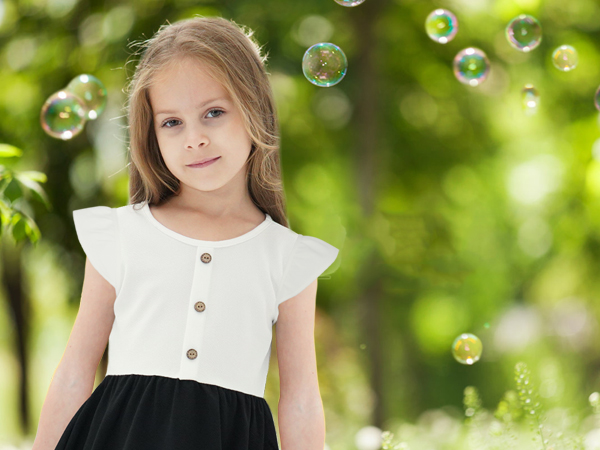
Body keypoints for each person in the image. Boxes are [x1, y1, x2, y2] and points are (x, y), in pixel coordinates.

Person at [31, 15, 340, 450]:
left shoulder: (288, 258)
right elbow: (74, 373)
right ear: (151, 133)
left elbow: (302, 399)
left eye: (213, 113)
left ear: (255, 108)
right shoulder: (120, 234)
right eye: (171, 122)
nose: (194, 138)